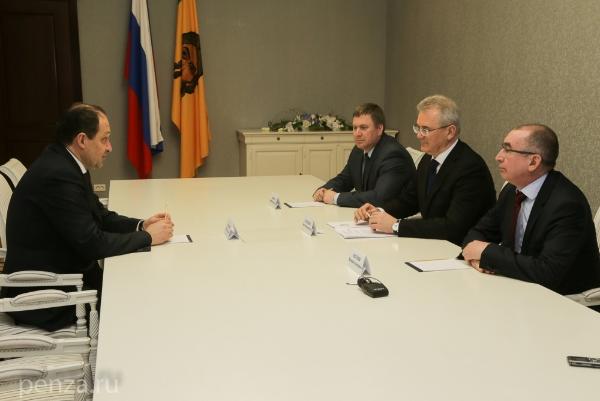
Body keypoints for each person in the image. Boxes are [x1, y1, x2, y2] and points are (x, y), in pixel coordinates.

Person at [3, 103, 174, 330]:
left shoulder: (67, 162)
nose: (109, 147)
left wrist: (141, 225)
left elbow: (99, 215)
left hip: (64, 273)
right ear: (82, 140)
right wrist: (148, 238)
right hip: (47, 297)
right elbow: (92, 244)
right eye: (104, 139)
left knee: (141, 284)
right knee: (141, 299)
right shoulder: (58, 175)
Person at [462, 124, 600, 295]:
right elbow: (477, 233)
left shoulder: (567, 205)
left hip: (564, 299)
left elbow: (547, 272)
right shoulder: (512, 190)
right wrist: (478, 259)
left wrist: (487, 253)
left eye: (507, 150)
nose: (498, 157)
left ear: (533, 161)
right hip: (517, 285)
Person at [355, 95, 495, 246]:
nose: (419, 135)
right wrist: (379, 211)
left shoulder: (470, 168)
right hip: (434, 243)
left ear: (450, 132)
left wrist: (396, 226)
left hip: (460, 249)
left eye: (426, 129)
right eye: (418, 128)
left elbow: (453, 227)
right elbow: (409, 200)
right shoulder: (428, 159)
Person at [312, 103, 415, 208]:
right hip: (368, 213)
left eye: (363, 128)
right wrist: (324, 190)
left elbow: (379, 198)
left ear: (379, 129)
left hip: (394, 215)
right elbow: (345, 179)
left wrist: (335, 198)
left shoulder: (393, 155)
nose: (357, 133)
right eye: (355, 128)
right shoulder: (359, 149)